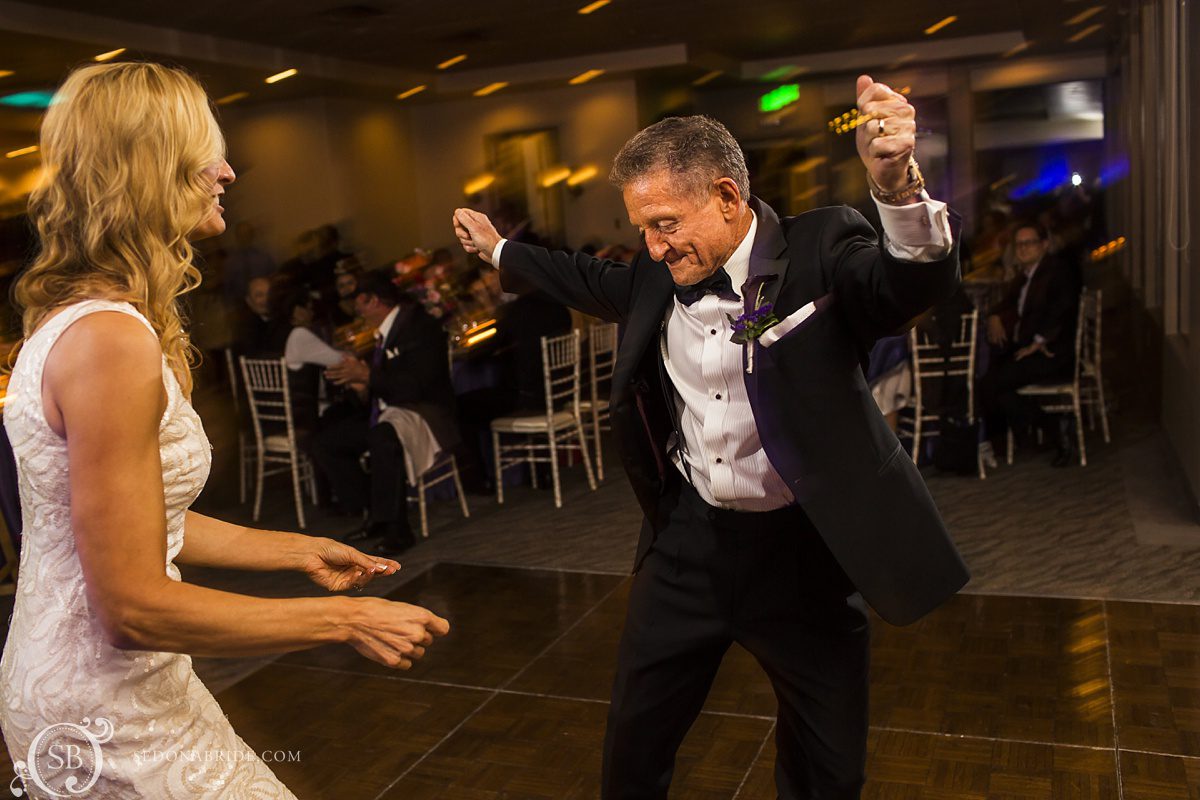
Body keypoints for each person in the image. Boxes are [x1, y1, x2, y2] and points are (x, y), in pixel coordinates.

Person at [455, 75, 969, 799]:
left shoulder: (822, 247)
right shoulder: (655, 277)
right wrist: (500, 249)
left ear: (728, 197)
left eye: (665, 222)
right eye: (641, 228)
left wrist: (896, 187)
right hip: (689, 545)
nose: (654, 246)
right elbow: (579, 275)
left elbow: (908, 286)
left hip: (803, 553)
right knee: (634, 740)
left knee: (828, 765)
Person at [0, 62, 449, 799]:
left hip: (92, 684)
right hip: (102, 704)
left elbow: (135, 524)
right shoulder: (111, 339)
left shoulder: (87, 319)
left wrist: (296, 549)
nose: (228, 171)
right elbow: (132, 606)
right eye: (208, 151)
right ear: (150, 171)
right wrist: (341, 620)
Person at [311, 270, 459, 555]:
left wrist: (369, 377)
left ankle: (398, 530)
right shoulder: (379, 334)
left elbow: (416, 387)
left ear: (375, 301)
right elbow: (380, 385)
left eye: (361, 306)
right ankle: (374, 513)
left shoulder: (420, 327)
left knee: (383, 439)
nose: (359, 313)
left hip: (425, 412)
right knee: (326, 443)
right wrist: (360, 385)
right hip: (390, 409)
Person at [979, 221, 1081, 466]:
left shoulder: (1057, 271)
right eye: (1019, 245)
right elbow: (1004, 302)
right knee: (990, 382)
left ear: (1044, 244)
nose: (1023, 249)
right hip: (1026, 348)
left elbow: (1063, 309)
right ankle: (1052, 426)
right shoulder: (1024, 276)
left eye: (1029, 243)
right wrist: (993, 316)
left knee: (992, 384)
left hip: (1052, 353)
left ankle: (1048, 428)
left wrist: (1038, 341)